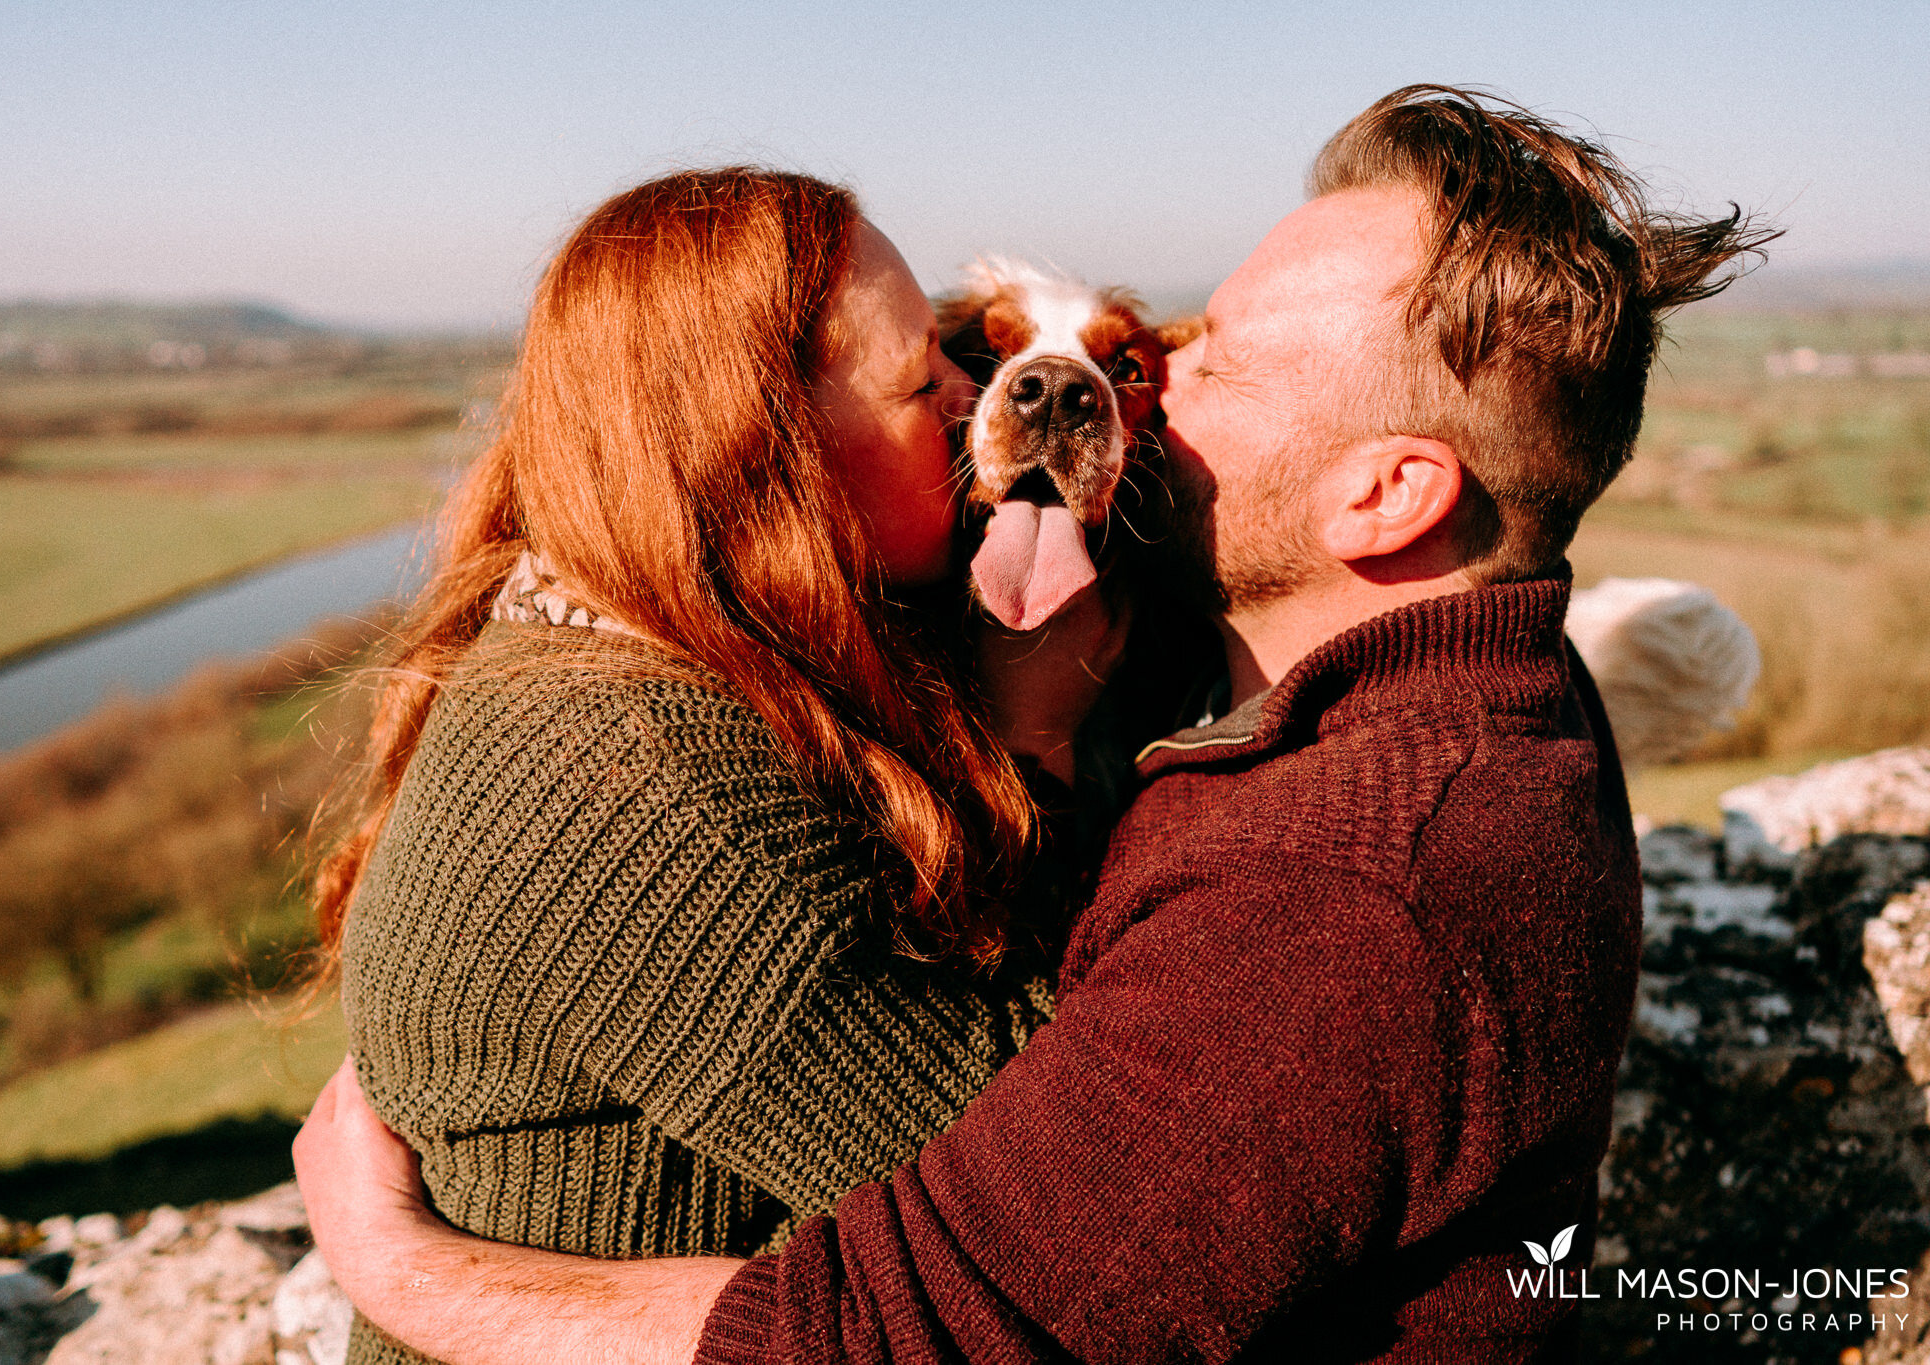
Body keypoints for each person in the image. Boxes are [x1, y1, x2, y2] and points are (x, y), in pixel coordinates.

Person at [295, 86, 1776, 1362]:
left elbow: (934, 1311)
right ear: (761, 450)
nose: (1128, 390)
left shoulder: (1349, 879)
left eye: (1203, 358)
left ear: (1384, 497)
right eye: (942, 363)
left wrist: (401, 1268)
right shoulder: (1473, 689)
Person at [314, 167, 1131, 1365]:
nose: (974, 401)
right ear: (770, 450)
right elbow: (1074, 1225)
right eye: (929, 376)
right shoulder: (643, 790)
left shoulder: (621, 645)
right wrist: (1043, 741)